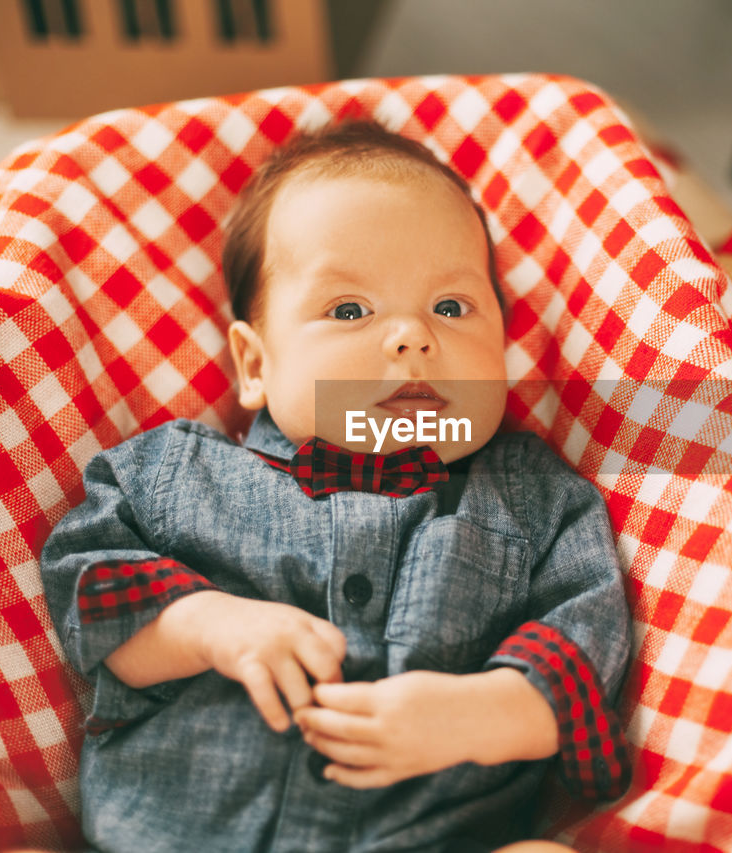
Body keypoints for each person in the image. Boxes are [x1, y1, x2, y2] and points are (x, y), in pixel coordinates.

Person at [38, 121, 633, 853]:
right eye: (350, 310)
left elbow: (584, 652)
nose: (412, 336)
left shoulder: (537, 500)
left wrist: (477, 711)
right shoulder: (173, 477)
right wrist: (211, 625)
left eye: (452, 307)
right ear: (255, 365)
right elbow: (93, 597)